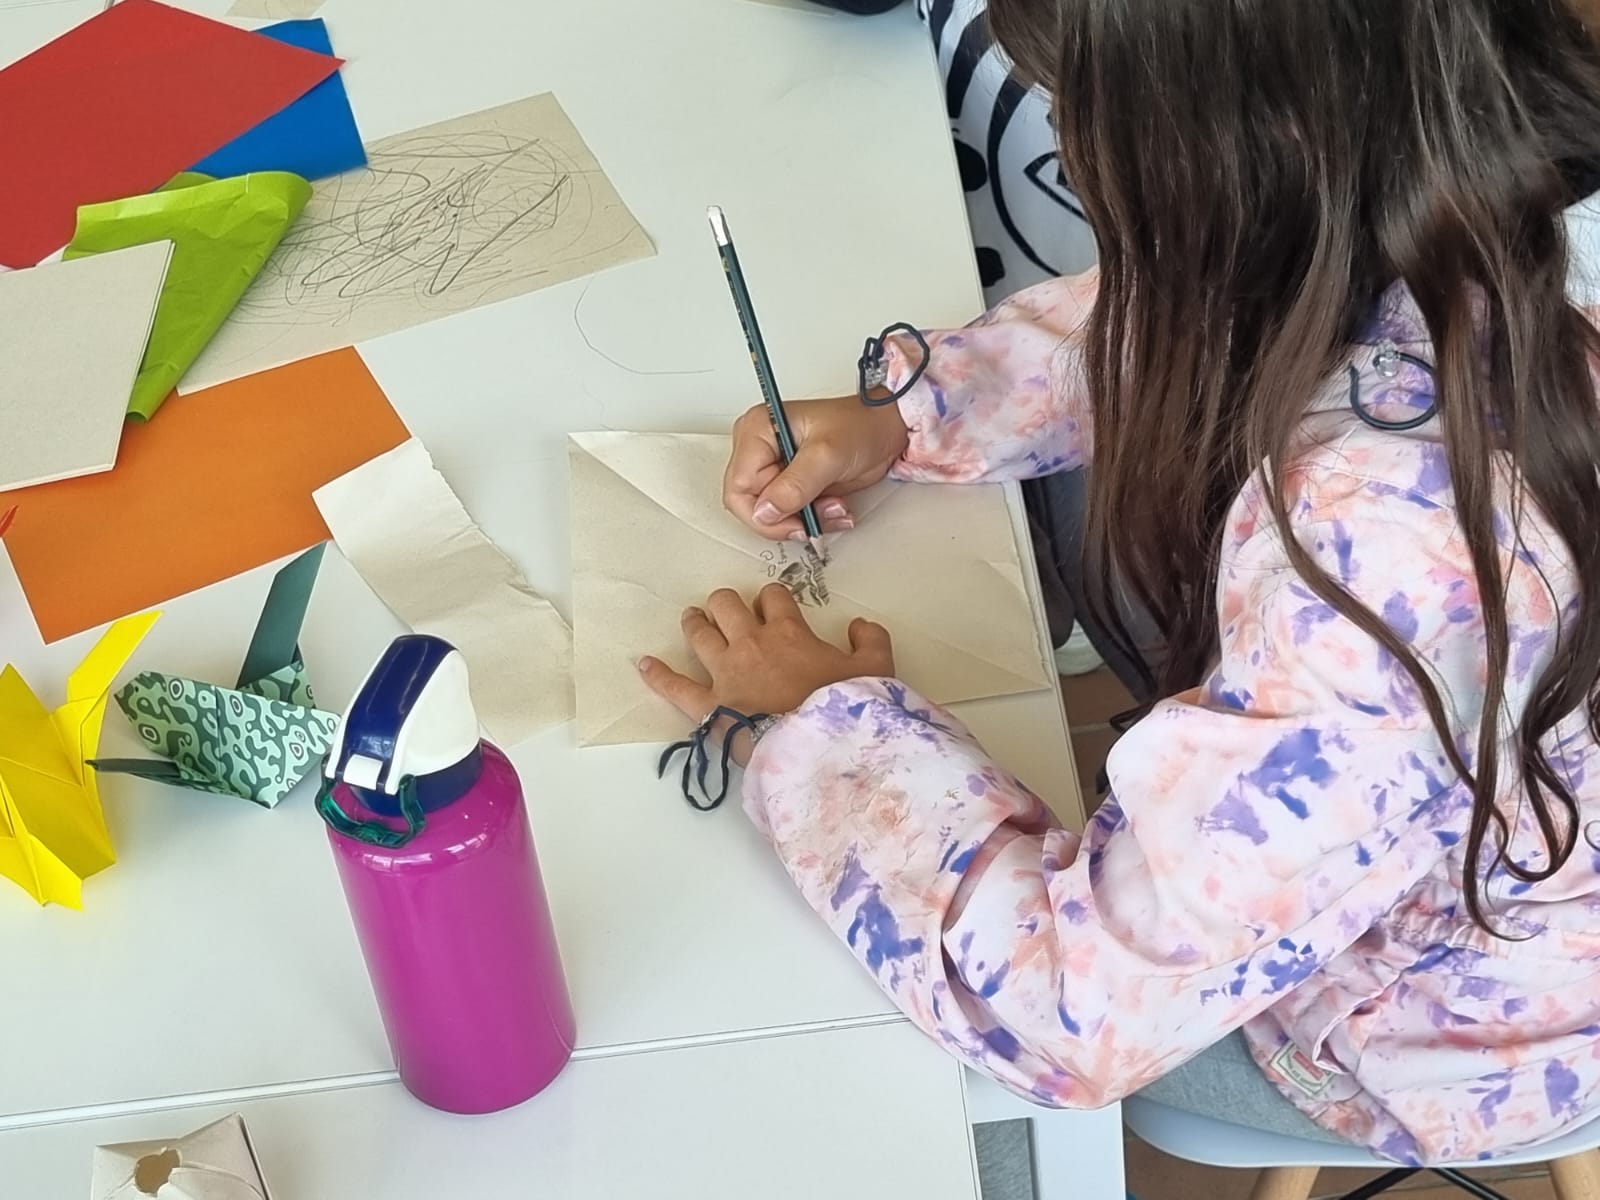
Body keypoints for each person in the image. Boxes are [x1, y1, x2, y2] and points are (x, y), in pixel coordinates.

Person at [639, 0, 1600, 1168]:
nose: (1075, 147)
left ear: (1238, 145)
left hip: (1441, 1033)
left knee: (842, 1051)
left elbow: (1066, 1017)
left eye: (1084, 112)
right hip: (1439, 817)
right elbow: (1190, 314)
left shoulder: (1392, 570)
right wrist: (915, 412)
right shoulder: (1435, 232)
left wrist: (827, 737)